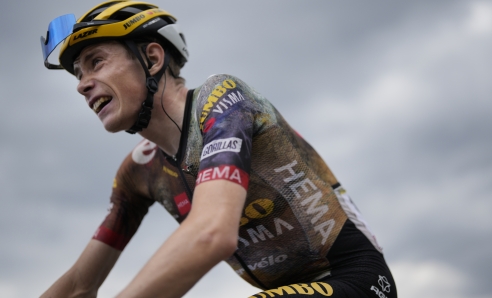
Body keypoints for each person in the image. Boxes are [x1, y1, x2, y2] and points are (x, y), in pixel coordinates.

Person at [39, 1, 397, 297]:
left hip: (356, 281)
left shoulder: (221, 99)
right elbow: (79, 286)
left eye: (95, 62)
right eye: (77, 75)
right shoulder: (139, 170)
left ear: (152, 58)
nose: (82, 85)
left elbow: (212, 233)